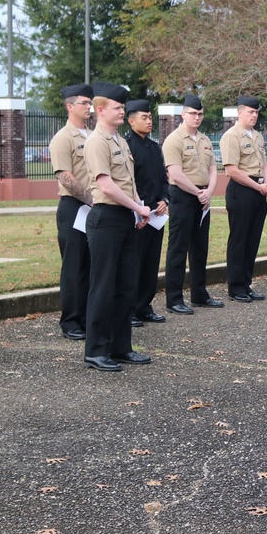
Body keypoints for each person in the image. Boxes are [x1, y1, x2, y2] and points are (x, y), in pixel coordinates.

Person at [81, 82, 152, 371]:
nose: (123, 111)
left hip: (125, 218)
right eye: (118, 108)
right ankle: (96, 351)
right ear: (100, 110)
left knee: (126, 286)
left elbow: (128, 182)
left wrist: (138, 208)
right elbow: (106, 185)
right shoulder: (96, 141)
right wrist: (138, 207)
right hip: (106, 219)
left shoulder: (119, 141)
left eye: (123, 107)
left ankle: (121, 346)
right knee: (103, 286)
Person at [162, 94, 222, 313]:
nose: (197, 118)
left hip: (202, 198)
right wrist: (198, 192)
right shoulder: (174, 140)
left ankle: (199, 293)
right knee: (178, 249)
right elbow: (175, 174)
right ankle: (174, 299)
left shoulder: (205, 140)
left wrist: (209, 192)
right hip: (183, 196)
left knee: (200, 248)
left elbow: (213, 169)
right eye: (193, 114)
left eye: (200, 114)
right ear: (183, 114)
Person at [48, 83, 94, 341]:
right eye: (84, 103)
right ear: (69, 106)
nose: (89, 108)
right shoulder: (63, 138)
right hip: (75, 207)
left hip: (94, 207)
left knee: (90, 265)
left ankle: (87, 318)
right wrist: (89, 199)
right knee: (74, 266)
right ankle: (70, 321)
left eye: (90, 103)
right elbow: (65, 176)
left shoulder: (93, 135)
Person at [221, 96, 267, 302]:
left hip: (258, 190)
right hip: (242, 190)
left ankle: (246, 283)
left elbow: (264, 166)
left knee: (252, 239)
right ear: (239, 113)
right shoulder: (232, 136)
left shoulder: (258, 136)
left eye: (257, 112)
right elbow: (232, 171)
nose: (254, 115)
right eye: (250, 112)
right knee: (239, 239)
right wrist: (258, 186)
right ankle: (235, 287)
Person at [123, 99, 169, 327]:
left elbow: (163, 179)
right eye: (144, 117)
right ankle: (129, 309)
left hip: (156, 214)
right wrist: (138, 206)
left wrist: (165, 199)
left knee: (151, 262)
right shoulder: (126, 145)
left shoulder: (154, 147)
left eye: (150, 117)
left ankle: (145, 306)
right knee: (134, 263)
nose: (149, 121)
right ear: (131, 120)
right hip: (137, 213)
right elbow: (128, 181)